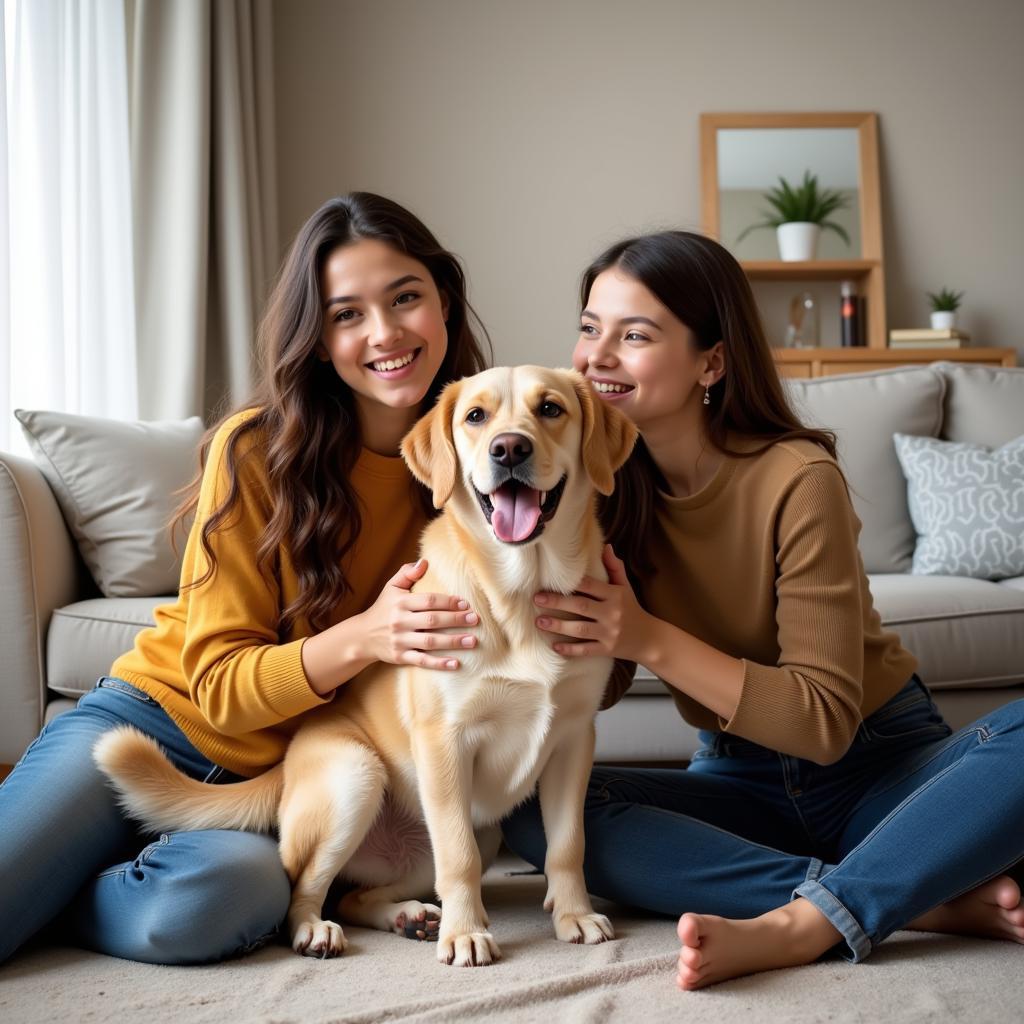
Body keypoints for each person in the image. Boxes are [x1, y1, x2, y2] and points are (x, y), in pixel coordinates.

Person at [500, 230, 1024, 989]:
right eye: (589, 328)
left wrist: (644, 635)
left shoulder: (797, 478)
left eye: (634, 335)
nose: (595, 357)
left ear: (711, 362)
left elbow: (819, 725)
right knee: (534, 805)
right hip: (737, 781)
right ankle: (913, 895)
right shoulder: (587, 482)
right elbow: (593, 682)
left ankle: (804, 921)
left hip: (880, 767)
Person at [0, 192, 490, 965]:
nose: (387, 333)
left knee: (220, 905)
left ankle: (69, 895)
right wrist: (366, 637)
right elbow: (223, 689)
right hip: (154, 720)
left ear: (445, 304)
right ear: (319, 339)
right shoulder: (256, 449)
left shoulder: (485, 455)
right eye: (347, 314)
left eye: (406, 299)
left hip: (278, 787)